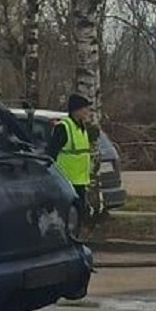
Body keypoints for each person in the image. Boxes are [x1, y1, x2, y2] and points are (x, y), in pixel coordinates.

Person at [47, 94, 94, 224]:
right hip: (67, 180)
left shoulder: (82, 127)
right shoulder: (64, 127)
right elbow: (51, 153)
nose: (87, 112)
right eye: (85, 108)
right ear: (76, 110)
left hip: (80, 179)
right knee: (69, 215)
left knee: (79, 214)